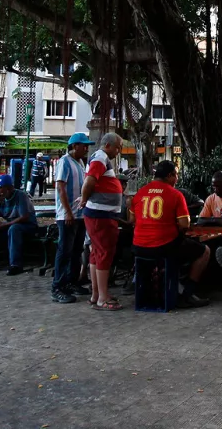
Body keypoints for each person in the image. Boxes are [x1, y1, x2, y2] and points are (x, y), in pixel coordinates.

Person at [129, 161, 210, 308]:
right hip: (164, 246)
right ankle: (188, 294)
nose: (177, 179)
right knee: (204, 251)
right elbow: (185, 225)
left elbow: (131, 219)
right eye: (176, 175)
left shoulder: (140, 192)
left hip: (138, 247)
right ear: (169, 175)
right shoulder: (175, 194)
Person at [81, 132, 126, 310]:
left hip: (99, 213)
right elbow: (90, 180)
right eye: (118, 147)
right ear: (108, 145)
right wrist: (84, 198)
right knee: (104, 254)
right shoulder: (100, 157)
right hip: (101, 215)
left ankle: (96, 294)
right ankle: (103, 298)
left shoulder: (99, 158)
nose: (119, 150)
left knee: (96, 253)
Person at [51, 133, 91, 303]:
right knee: (65, 250)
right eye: (84, 146)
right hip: (68, 215)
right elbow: (61, 187)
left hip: (80, 214)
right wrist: (67, 212)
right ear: (75, 146)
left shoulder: (81, 163)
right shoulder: (64, 162)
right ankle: (58, 287)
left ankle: (71, 281)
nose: (86, 149)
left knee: (76, 250)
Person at [0, 175, 39, 276]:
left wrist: (5, 225)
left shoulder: (20, 195)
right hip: (11, 228)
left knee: (14, 228)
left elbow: (24, 217)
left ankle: (15, 265)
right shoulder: (1, 200)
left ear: (9, 188)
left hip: (27, 227)